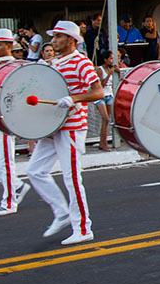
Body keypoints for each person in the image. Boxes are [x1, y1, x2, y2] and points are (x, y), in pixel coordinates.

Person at [25, 21, 103, 246]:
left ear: (71, 40)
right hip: (53, 127)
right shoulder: (56, 62)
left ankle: (83, 227)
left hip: (72, 127)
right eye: (54, 36)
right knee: (35, 171)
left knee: (72, 178)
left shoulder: (81, 62)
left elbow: (97, 91)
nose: (54, 41)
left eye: (58, 37)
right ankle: (62, 213)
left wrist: (74, 99)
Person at [0, 30, 32, 216]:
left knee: (5, 160)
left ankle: (10, 201)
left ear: (9, 46)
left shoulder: (14, 67)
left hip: (5, 118)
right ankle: (17, 185)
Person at [94, 50, 118, 151]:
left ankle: (102, 142)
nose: (112, 60)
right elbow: (101, 85)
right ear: (105, 59)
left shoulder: (110, 68)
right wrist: (109, 74)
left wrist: (116, 70)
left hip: (109, 95)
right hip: (100, 96)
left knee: (107, 120)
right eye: (110, 58)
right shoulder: (100, 70)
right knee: (106, 118)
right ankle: (103, 143)